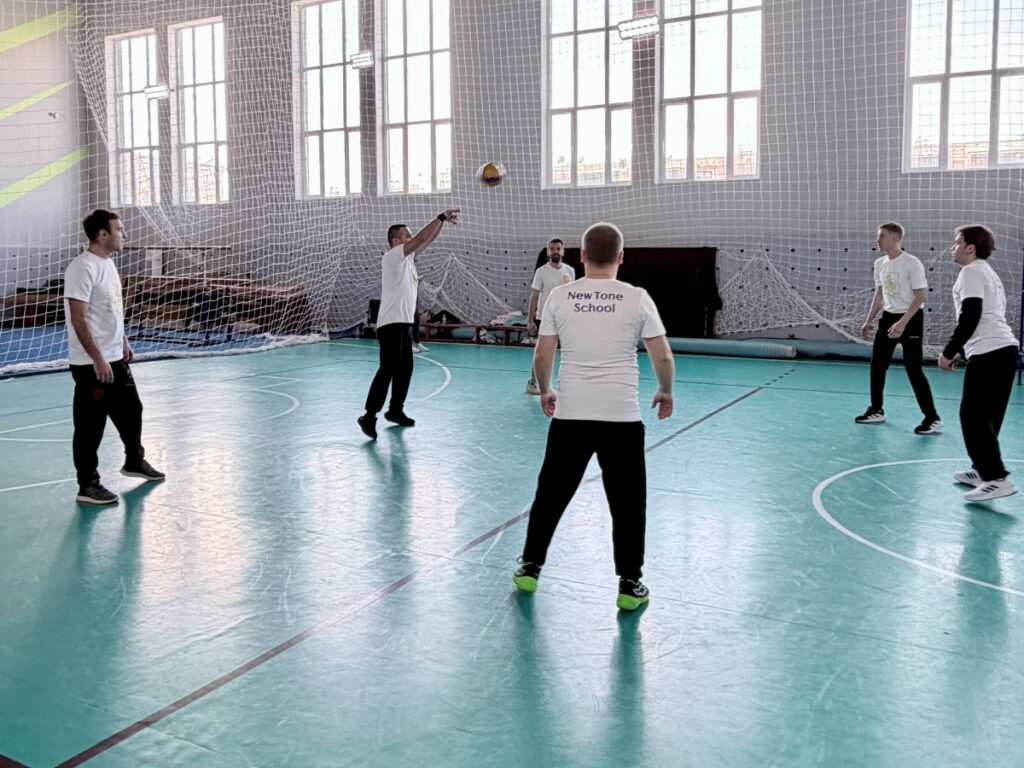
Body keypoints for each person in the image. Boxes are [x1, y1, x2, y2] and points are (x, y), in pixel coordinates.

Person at [512, 222, 675, 611]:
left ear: (582, 256)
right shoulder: (637, 298)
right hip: (621, 420)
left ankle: (530, 567)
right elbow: (663, 356)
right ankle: (629, 584)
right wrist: (665, 389)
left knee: (550, 495)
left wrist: (545, 388)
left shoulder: (560, 297)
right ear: (621, 257)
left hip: (571, 418)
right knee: (628, 503)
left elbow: (542, 354)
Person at [65, 210, 164, 505]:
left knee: (132, 410)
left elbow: (110, 310)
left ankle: (134, 461)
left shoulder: (107, 264)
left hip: (114, 357)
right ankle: (88, 486)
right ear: (102, 234)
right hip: (91, 364)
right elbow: (79, 318)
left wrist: (122, 341)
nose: (125, 234)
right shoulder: (82, 268)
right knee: (90, 426)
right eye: (119, 229)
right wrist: (98, 358)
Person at [358, 209, 460, 440]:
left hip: (403, 324)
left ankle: (395, 411)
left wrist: (442, 225)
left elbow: (427, 239)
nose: (411, 237)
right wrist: (440, 217)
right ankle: (369, 416)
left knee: (405, 369)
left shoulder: (408, 260)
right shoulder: (392, 256)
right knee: (387, 369)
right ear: (396, 241)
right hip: (390, 324)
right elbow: (421, 238)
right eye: (407, 235)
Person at [938, 225, 1019, 502]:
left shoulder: (971, 271)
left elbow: (971, 315)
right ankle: (981, 469)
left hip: (990, 352)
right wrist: (963, 349)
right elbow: (986, 316)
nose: (953, 248)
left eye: (957, 242)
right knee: (989, 415)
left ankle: (996, 478)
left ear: (970, 247)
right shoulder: (987, 272)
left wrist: (949, 350)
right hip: (1003, 350)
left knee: (972, 415)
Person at [855, 222, 941, 434]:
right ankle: (876, 410)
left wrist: (902, 322)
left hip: (911, 318)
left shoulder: (912, 263)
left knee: (913, 369)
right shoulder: (880, 264)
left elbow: (920, 296)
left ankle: (932, 418)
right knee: (877, 366)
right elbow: (879, 294)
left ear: (895, 238)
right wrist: (869, 320)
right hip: (888, 317)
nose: (877, 240)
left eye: (882, 236)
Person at [526, 238, 576, 395]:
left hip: (564, 318)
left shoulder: (570, 271)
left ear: (563, 251)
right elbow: (534, 296)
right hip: (545, 317)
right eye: (552, 249)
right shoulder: (541, 272)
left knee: (569, 352)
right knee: (542, 352)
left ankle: (569, 384)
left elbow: (572, 296)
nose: (555, 251)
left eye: (558, 248)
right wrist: (530, 320)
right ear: (548, 252)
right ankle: (533, 383)